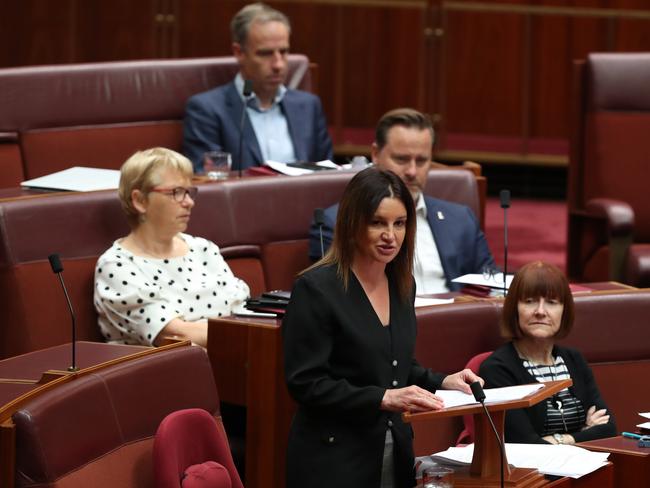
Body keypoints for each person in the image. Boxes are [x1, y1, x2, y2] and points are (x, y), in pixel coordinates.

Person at [283, 167, 483, 488]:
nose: (391, 236)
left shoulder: (401, 284)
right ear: (352, 224)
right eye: (378, 223)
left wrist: (444, 381)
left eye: (400, 223)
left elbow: (394, 367)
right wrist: (382, 398)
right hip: (333, 458)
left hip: (393, 448)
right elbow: (306, 383)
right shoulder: (316, 288)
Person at [309, 108, 494, 293]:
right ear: (375, 154)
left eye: (421, 161)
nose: (412, 171)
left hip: (455, 318)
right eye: (401, 159)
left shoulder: (461, 218)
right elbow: (336, 297)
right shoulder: (338, 222)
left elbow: (492, 283)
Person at [94, 147, 249, 347]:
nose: (189, 202)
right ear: (140, 200)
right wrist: (254, 335)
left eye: (189, 192)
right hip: (168, 373)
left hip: (233, 361)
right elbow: (176, 336)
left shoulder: (203, 248)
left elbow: (243, 312)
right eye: (176, 192)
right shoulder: (116, 266)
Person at [182, 2, 333, 172]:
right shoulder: (208, 110)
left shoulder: (309, 106)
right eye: (265, 53)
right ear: (239, 52)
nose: (278, 64)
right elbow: (209, 181)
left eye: (283, 52)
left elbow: (328, 173)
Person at [479, 261, 616, 445]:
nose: (540, 311)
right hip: (532, 472)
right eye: (530, 301)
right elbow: (525, 443)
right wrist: (583, 432)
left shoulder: (574, 360)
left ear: (564, 311)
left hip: (585, 466)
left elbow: (609, 428)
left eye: (551, 302)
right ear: (514, 309)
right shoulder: (497, 369)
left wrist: (560, 439)